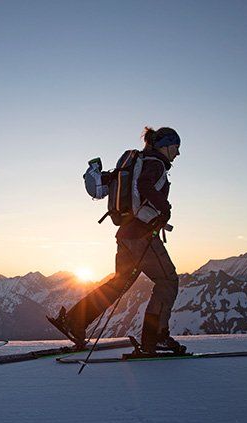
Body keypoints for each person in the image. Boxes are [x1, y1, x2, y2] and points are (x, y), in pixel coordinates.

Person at [48, 126, 184, 354]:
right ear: (166, 145)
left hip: (125, 235)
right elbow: (145, 186)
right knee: (167, 280)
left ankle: (74, 321)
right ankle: (156, 337)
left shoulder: (137, 162)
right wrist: (164, 207)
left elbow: (131, 186)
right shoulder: (155, 163)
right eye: (176, 148)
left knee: (119, 283)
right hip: (142, 235)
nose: (177, 154)